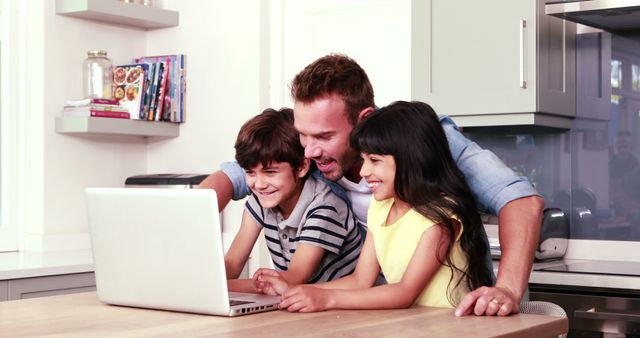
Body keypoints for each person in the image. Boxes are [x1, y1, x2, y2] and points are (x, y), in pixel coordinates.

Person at [200, 54, 544, 316]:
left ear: (363, 120)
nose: (308, 150)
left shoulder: (424, 140)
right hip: (377, 309)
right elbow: (236, 175)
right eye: (302, 135)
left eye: (324, 136)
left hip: (455, 311)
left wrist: (508, 289)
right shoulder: (314, 155)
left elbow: (519, 200)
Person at [253, 101, 493, 311]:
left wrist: (326, 299)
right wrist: (298, 291)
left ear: (412, 159)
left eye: (375, 161)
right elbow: (360, 280)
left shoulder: (441, 217)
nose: (365, 171)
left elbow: (404, 293)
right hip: (410, 325)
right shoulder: (380, 208)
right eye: (364, 159)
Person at [224, 108, 363, 293]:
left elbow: (294, 277)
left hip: (347, 309)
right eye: (250, 172)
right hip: (302, 304)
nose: (259, 184)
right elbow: (232, 263)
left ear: (302, 167)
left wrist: (217, 287)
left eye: (270, 172)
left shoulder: (325, 207)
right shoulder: (261, 200)